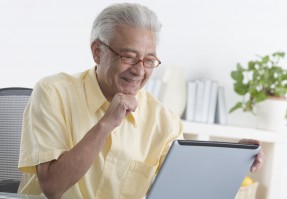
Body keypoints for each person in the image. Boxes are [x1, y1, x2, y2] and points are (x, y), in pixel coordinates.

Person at [18, 3, 264, 199]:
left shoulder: (165, 121)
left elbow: (186, 187)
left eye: (149, 61)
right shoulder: (52, 93)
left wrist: (233, 160)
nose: (139, 70)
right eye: (128, 57)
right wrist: (106, 124)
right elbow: (52, 187)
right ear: (97, 52)